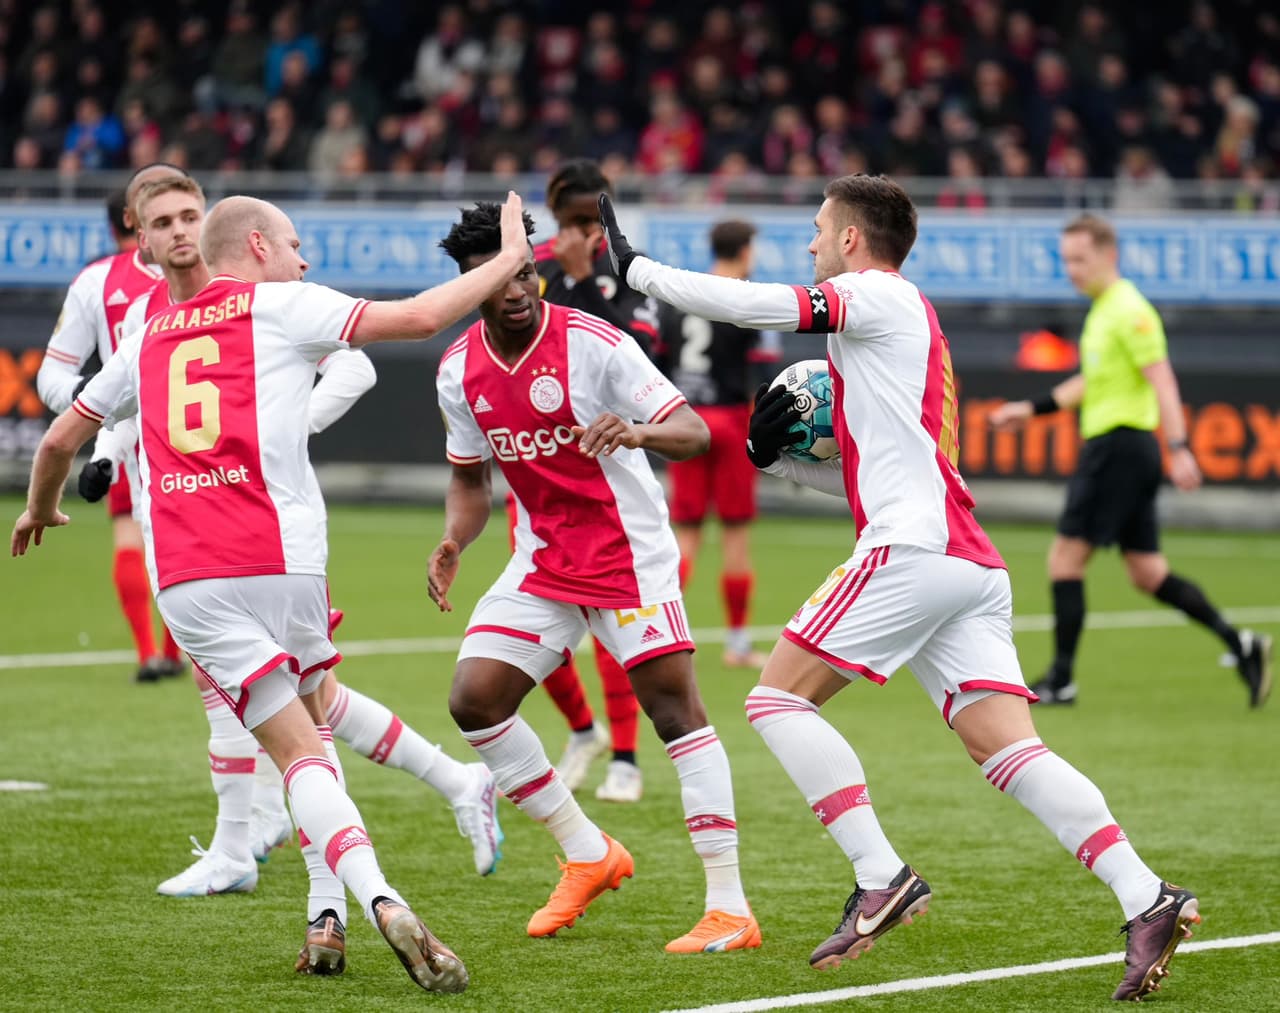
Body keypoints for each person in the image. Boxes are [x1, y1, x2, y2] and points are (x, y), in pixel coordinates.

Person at [599, 176, 1199, 1001]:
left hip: (915, 549)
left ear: (852, 239)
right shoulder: (898, 332)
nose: (810, 244)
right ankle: (1148, 895)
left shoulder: (875, 293)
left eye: (818, 230)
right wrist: (781, 463)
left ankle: (882, 874)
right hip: (963, 558)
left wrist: (640, 272)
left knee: (775, 701)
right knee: (1008, 748)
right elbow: (871, 474)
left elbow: (763, 306)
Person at [12, 189, 533, 993]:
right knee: (314, 725)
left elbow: (56, 440)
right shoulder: (282, 304)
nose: (305, 257)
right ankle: (362, 889)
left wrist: (41, 507)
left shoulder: (144, 330)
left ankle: (363, 899)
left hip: (185, 576)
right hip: (278, 557)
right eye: (294, 242)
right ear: (257, 246)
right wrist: (504, 262)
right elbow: (424, 317)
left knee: (299, 744)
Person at [430, 201, 760, 954]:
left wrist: (636, 429)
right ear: (467, 283)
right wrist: (455, 539)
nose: (517, 289)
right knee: (474, 700)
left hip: (629, 555)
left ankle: (730, 905)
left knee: (674, 713)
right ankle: (586, 849)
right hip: (543, 559)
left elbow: (694, 430)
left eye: (525, 272)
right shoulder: (457, 371)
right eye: (499, 277)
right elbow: (471, 481)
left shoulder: (595, 343)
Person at [989, 214, 1272, 708]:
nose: (1071, 270)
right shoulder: (1103, 312)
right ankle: (1241, 644)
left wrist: (1180, 447)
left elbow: (1163, 380)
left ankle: (1061, 679)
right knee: (1147, 572)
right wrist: (1029, 409)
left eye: (1080, 259)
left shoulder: (1129, 310)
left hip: (1119, 447)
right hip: (1125, 450)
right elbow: (1088, 383)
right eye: (1066, 260)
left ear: (1108, 255)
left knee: (1065, 558)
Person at [530, 159, 665, 803]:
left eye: (593, 220)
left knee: (615, 624)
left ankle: (628, 759)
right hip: (538, 478)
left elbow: (642, 362)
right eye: (572, 221)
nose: (583, 233)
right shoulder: (528, 274)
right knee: (535, 625)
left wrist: (586, 277)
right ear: (554, 218)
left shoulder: (627, 274)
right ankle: (583, 730)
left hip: (609, 480)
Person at [36, 168, 189, 683]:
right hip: (133, 446)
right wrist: (87, 399)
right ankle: (157, 652)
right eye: (154, 207)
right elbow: (52, 374)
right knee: (144, 544)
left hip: (214, 451)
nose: (176, 227)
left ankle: (171, 653)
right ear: (133, 219)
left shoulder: (222, 273)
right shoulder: (97, 282)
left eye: (186, 212)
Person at [657, 220, 770, 669]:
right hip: (728, 420)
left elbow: (659, 364)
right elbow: (758, 374)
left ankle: (656, 633)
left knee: (685, 536)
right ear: (743, 251)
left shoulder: (680, 297)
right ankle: (738, 644)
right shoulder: (745, 298)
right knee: (736, 537)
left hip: (685, 422)